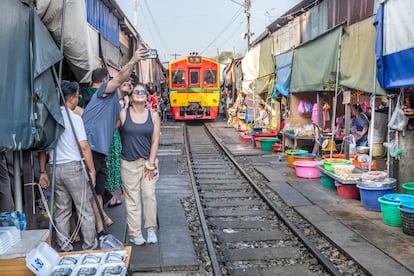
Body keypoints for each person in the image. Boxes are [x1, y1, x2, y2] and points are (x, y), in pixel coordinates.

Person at [82, 47, 149, 237]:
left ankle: (100, 228)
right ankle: (89, 233)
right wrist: (134, 59)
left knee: (99, 190)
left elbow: (118, 125)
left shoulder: (118, 104)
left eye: (131, 83)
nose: (128, 83)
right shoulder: (106, 92)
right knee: (89, 190)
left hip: (100, 150)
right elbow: (118, 78)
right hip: (91, 147)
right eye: (126, 82)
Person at [38, 81, 97, 252]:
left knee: (62, 210)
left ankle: (64, 246)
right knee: (84, 209)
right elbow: (84, 146)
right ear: (70, 98)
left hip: (54, 167)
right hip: (73, 168)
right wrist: (92, 170)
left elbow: (43, 149)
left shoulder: (50, 120)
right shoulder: (74, 119)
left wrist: (43, 172)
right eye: (77, 96)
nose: (78, 99)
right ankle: (90, 247)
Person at [119, 83, 161, 246]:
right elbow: (112, 131)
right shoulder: (123, 114)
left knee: (149, 196)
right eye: (136, 91)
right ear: (131, 95)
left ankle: (151, 229)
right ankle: (135, 233)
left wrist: (151, 162)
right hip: (127, 164)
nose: (139, 93)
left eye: (143, 92)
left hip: (147, 163)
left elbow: (155, 139)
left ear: (147, 97)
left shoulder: (153, 115)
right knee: (132, 200)